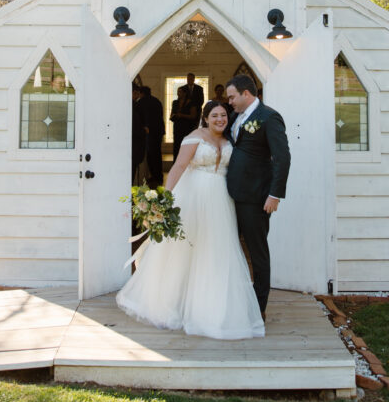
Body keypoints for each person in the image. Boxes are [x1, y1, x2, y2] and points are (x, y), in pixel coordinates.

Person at [116, 100, 265, 339]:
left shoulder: (230, 140)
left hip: (222, 201)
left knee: (216, 251)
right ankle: (173, 305)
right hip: (194, 199)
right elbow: (178, 167)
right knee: (186, 250)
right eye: (215, 115)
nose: (220, 119)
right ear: (205, 118)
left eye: (224, 115)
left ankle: (213, 308)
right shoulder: (194, 137)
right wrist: (164, 198)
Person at [226, 74, 290, 319]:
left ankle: (258, 307)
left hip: (256, 196)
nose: (229, 102)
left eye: (232, 97)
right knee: (232, 248)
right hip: (232, 194)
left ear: (246, 93)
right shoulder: (235, 117)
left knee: (257, 252)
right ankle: (239, 299)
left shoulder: (269, 117)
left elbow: (282, 158)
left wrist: (275, 194)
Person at [137, 85, 165, 186]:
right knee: (157, 154)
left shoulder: (141, 102)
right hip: (158, 131)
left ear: (141, 93)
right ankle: (159, 176)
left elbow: (141, 118)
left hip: (149, 132)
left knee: (150, 155)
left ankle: (153, 175)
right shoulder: (157, 101)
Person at [169, 85, 197, 158]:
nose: (178, 93)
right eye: (177, 91)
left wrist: (182, 115)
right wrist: (174, 116)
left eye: (180, 92)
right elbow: (171, 114)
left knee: (187, 146)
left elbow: (193, 116)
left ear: (185, 93)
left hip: (187, 127)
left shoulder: (191, 102)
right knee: (177, 146)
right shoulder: (175, 102)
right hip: (177, 126)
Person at [131, 83, 146, 184]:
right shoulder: (132, 106)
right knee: (131, 169)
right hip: (134, 143)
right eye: (135, 93)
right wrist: (144, 130)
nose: (137, 96)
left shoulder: (135, 105)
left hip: (134, 142)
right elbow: (135, 126)